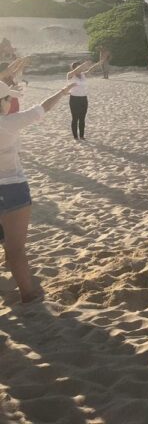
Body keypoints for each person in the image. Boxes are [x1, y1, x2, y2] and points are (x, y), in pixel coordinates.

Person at [0, 81, 74, 302]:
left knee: (7, 241)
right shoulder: (8, 123)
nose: (11, 102)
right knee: (16, 248)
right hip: (12, 187)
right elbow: (42, 108)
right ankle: (28, 294)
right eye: (8, 99)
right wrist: (62, 92)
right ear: (2, 102)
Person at [66, 59, 102, 140]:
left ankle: (82, 136)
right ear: (74, 68)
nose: (80, 69)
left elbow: (91, 69)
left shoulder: (83, 74)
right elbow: (75, 71)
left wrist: (100, 62)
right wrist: (83, 65)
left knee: (82, 118)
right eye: (78, 68)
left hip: (84, 99)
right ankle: (75, 136)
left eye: (80, 67)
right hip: (74, 99)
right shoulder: (70, 75)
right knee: (75, 118)